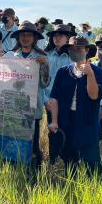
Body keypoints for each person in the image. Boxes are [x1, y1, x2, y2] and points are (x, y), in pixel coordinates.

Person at [48, 37, 102, 174]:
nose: (75, 51)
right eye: (72, 48)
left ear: (87, 50)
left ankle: (95, 188)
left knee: (91, 161)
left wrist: (90, 74)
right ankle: (71, 185)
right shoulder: (63, 72)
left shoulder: (98, 72)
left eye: (79, 48)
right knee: (69, 160)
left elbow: (94, 96)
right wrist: (55, 121)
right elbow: (55, 98)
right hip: (66, 122)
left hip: (88, 122)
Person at [6, 21, 50, 167]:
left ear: (34, 38)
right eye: (22, 35)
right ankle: (14, 168)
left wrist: (46, 66)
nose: (25, 38)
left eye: (29, 35)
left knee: (32, 143)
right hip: (13, 107)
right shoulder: (10, 56)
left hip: (32, 108)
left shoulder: (41, 57)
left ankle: (34, 173)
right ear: (18, 37)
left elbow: (45, 84)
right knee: (13, 140)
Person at [43, 24, 74, 164]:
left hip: (68, 102)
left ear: (68, 38)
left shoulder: (73, 56)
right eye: (55, 35)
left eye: (61, 35)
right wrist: (45, 100)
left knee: (68, 129)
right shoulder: (47, 55)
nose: (57, 38)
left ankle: (68, 159)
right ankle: (52, 158)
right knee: (53, 131)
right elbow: (41, 80)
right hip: (50, 101)